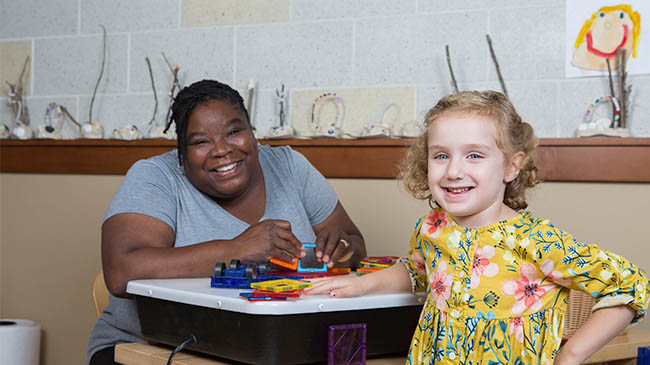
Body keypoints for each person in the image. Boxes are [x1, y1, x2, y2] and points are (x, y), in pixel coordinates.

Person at [305, 91, 650, 364]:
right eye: (441, 155)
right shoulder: (432, 228)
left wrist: (570, 356)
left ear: (512, 167)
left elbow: (631, 285)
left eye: (474, 155)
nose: (454, 171)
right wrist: (361, 285)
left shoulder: (537, 240)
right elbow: (416, 271)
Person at [87, 79, 367, 364]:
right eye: (200, 141)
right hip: (150, 350)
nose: (222, 150)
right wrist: (235, 250)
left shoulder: (290, 167)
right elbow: (121, 273)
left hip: (277, 349)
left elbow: (354, 244)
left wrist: (341, 249)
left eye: (234, 132)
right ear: (182, 156)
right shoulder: (156, 178)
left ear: (252, 134)